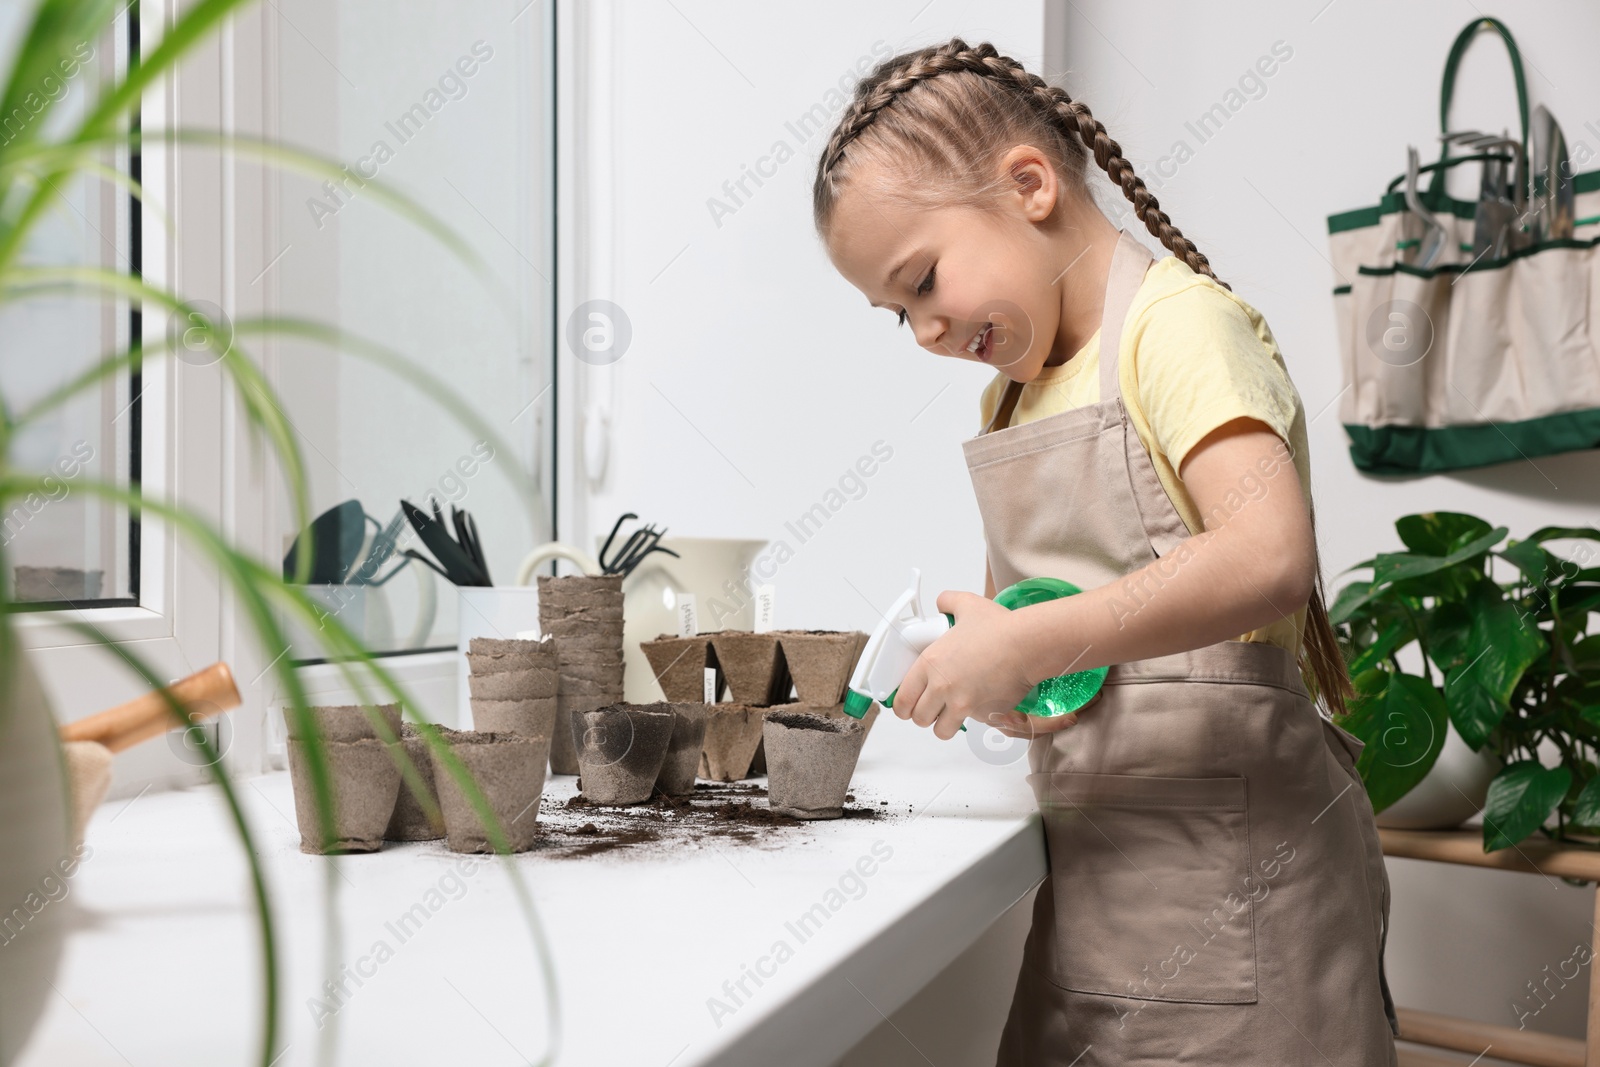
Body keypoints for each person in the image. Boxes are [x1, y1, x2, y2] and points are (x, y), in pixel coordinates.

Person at [812, 37, 1400, 1066]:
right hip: (1104, 902)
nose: (922, 330)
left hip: (1243, 899)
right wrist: (1002, 671)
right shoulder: (1016, 395)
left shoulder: (1177, 330)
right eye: (895, 313)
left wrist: (1034, 639)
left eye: (923, 281)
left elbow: (1264, 555)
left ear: (1029, 185)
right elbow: (1057, 638)